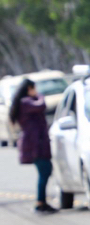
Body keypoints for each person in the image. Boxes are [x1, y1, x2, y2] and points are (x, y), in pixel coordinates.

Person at [9, 79, 57, 214]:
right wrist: (40, 96)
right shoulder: (26, 102)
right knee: (45, 170)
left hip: (36, 142)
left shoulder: (24, 102)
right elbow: (41, 105)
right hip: (34, 144)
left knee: (45, 171)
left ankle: (41, 201)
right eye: (34, 89)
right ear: (29, 88)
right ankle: (40, 202)